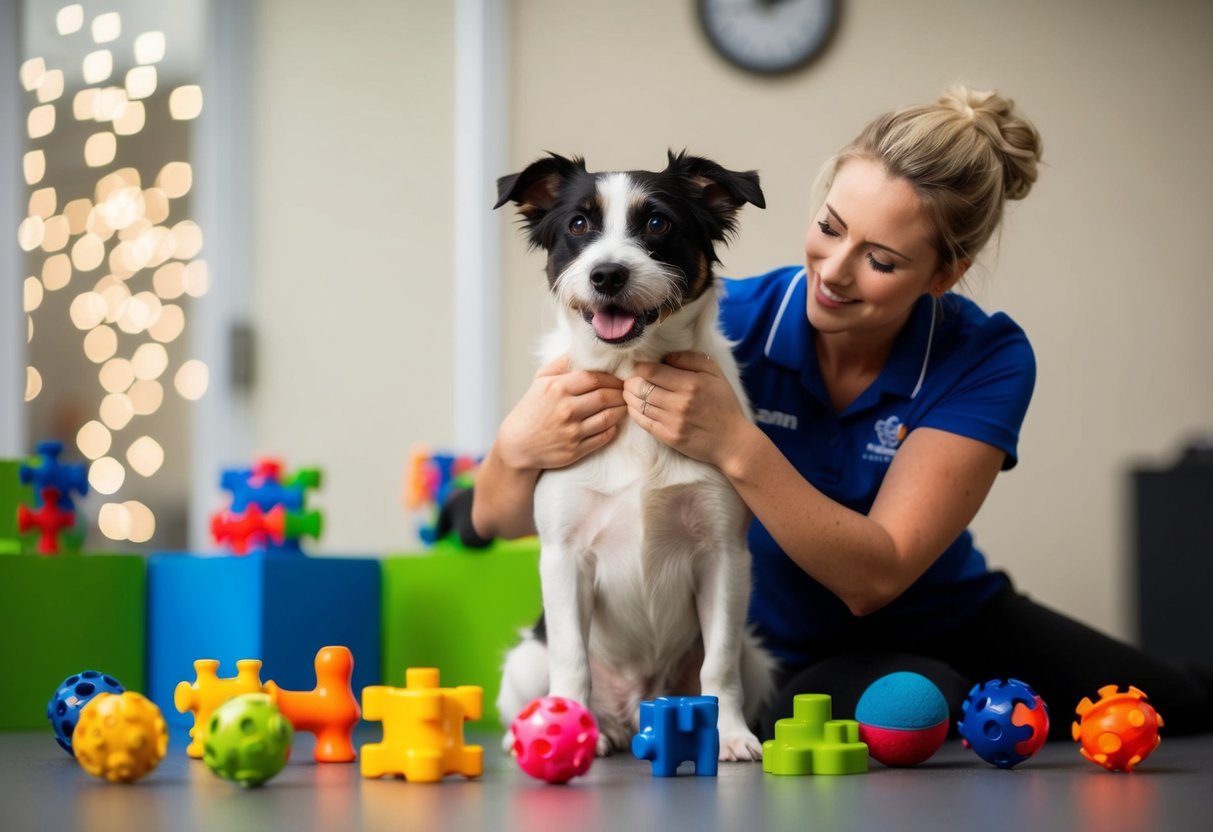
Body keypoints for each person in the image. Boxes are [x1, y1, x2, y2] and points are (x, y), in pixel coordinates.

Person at [467, 86, 1213, 738]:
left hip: (947, 610)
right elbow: (500, 521)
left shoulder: (984, 356)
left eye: (880, 261)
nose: (832, 272)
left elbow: (876, 576)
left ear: (943, 273)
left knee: (1175, 700)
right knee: (914, 703)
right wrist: (515, 446)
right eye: (828, 228)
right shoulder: (730, 319)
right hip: (789, 647)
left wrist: (735, 442)